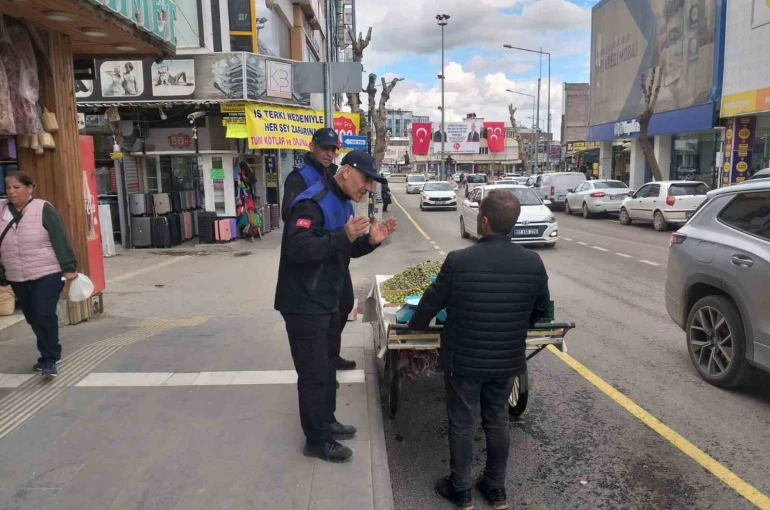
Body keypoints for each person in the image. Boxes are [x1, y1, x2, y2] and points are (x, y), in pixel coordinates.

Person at [408, 190, 550, 510]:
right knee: (497, 419)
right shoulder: (532, 262)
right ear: (512, 224)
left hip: (464, 361)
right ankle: (495, 488)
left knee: (462, 422)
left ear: (483, 221)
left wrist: (414, 325)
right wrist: (515, 328)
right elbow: (542, 309)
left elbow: (432, 301)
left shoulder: (460, 261)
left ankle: (460, 490)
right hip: (507, 359)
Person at [275, 150, 397, 463]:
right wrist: (342, 235)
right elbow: (298, 249)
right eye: (365, 179)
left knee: (327, 367)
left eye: (372, 182)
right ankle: (316, 440)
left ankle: (326, 421)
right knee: (314, 373)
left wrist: (369, 241)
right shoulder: (311, 202)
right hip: (304, 302)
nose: (368, 188)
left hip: (326, 300)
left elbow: (342, 249)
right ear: (346, 171)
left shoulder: (343, 202)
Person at [281, 128, 358, 373]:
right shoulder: (300, 177)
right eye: (325, 148)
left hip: (336, 257)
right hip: (315, 260)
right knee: (325, 315)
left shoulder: (330, 175)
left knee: (343, 306)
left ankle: (331, 356)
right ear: (312, 146)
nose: (329, 153)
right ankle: (323, 364)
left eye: (333, 149)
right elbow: (291, 217)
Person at [0, 172, 78, 378]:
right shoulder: (1, 211)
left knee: (44, 313)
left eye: (17, 187)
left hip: (46, 272)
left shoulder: (43, 208)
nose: (12, 192)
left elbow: (59, 237)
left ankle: (49, 359)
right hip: (17, 274)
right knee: (33, 316)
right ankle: (51, 349)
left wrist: (68, 266)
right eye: (8, 188)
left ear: (30, 188)